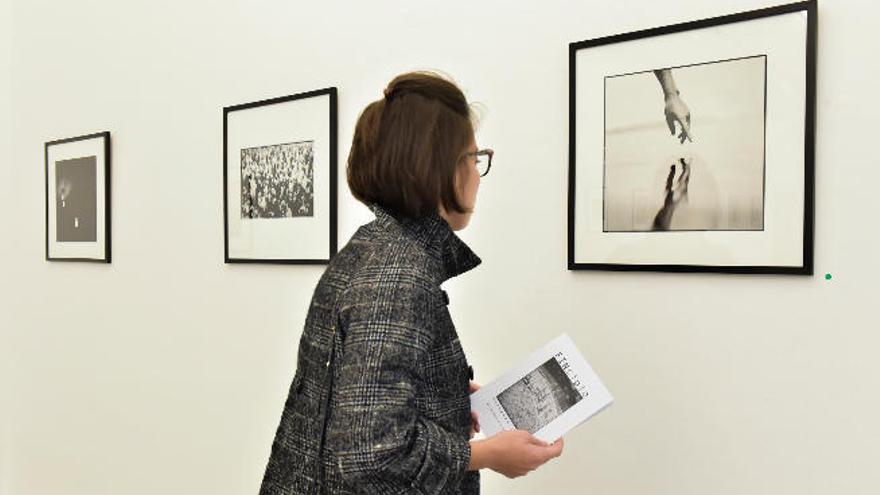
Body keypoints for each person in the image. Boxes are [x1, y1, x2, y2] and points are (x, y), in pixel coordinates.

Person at [259, 71, 563, 494]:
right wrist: (491, 454)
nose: (478, 174)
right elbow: (370, 453)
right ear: (439, 171)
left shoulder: (374, 247)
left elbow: (351, 397)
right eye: (474, 158)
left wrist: (447, 395)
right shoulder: (401, 274)